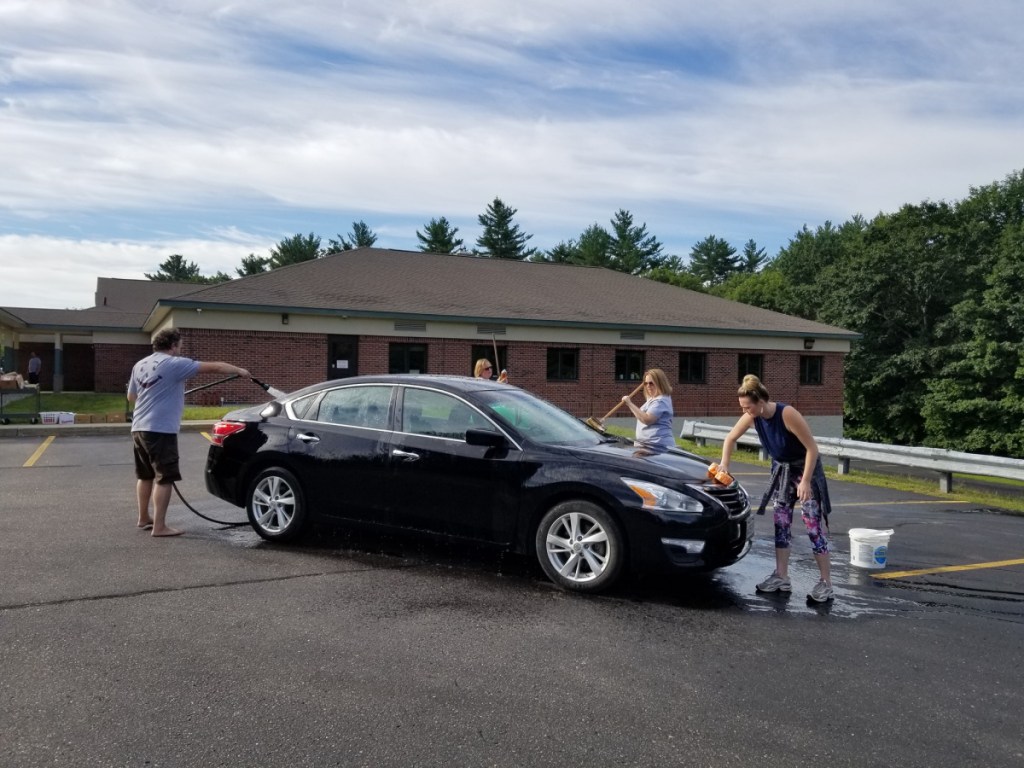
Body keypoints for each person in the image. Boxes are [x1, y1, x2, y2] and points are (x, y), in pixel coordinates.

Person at [719, 374, 834, 603]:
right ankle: (781, 576)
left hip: (805, 471)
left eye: (748, 407)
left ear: (761, 401)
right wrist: (724, 465)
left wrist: (805, 481)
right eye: (742, 408)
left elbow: (812, 449)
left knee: (813, 527)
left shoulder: (787, 414)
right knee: (781, 525)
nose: (745, 412)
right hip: (782, 472)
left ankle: (826, 583)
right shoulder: (753, 417)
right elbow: (730, 438)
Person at [127, 328, 250, 537]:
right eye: (180, 345)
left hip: (139, 428)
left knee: (145, 475)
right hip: (160, 430)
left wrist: (158, 396)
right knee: (164, 478)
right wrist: (240, 371)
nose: (181, 348)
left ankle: (143, 518)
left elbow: (132, 397)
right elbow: (216, 367)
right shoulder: (175, 363)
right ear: (173, 345)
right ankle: (159, 527)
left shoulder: (140, 365)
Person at [621, 368, 674, 452]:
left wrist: (629, 403)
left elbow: (647, 419)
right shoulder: (654, 399)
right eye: (646, 383)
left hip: (657, 447)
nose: (648, 386)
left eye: (651, 383)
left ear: (660, 383)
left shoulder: (661, 401)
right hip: (649, 446)